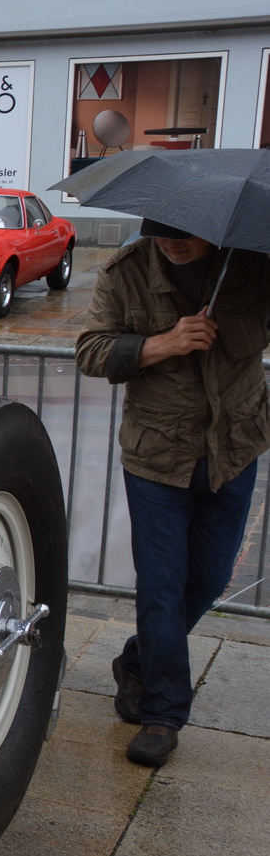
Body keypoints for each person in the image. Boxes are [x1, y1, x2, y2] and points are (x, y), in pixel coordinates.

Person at [75, 220, 270, 767]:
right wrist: (164, 343)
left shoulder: (253, 264)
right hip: (157, 456)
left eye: (186, 231)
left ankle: (138, 661)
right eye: (161, 230)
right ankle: (163, 714)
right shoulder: (127, 271)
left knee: (206, 579)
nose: (173, 240)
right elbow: (91, 351)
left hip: (234, 450)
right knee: (160, 586)